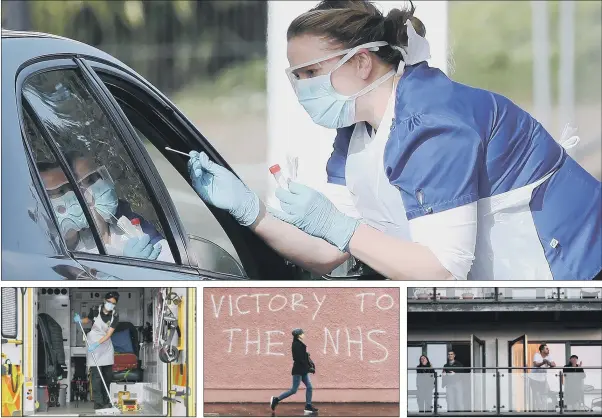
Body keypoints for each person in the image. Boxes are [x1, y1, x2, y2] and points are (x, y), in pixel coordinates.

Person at [186, 0, 602, 281]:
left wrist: (338, 226)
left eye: (310, 72)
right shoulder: (356, 133)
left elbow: (441, 269)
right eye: (295, 76)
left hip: (578, 271)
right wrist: (248, 210)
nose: (301, 87)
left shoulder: (431, 125)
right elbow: (329, 251)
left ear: (362, 62)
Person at [38, 154, 173, 262]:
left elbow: (170, 256)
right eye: (59, 192)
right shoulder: (42, 254)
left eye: (93, 179)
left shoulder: (129, 222)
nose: (92, 190)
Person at [73, 291, 120, 410]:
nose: (110, 305)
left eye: (113, 303)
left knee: (107, 377)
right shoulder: (94, 310)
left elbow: (108, 335)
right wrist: (79, 320)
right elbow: (87, 320)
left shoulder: (115, 315)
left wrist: (97, 344)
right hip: (93, 346)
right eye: (109, 302)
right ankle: (99, 403)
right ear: (105, 300)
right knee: (96, 377)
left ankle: (107, 401)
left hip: (105, 347)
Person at [270, 329, 318, 415]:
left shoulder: (300, 344)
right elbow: (299, 359)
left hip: (303, 370)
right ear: (298, 335)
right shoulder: (296, 345)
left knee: (309, 387)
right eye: (302, 333)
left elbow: (304, 357)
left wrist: (310, 366)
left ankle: (308, 406)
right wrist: (308, 367)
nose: (303, 334)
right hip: (298, 370)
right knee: (294, 390)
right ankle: (276, 400)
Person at [529, 343, 556, 412]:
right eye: (546, 349)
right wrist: (543, 363)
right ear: (542, 350)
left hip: (543, 379)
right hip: (534, 378)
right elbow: (536, 364)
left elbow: (554, 364)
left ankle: (543, 410)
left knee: (544, 394)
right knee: (537, 395)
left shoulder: (549, 356)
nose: (548, 350)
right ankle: (538, 410)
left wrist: (548, 363)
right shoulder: (537, 355)